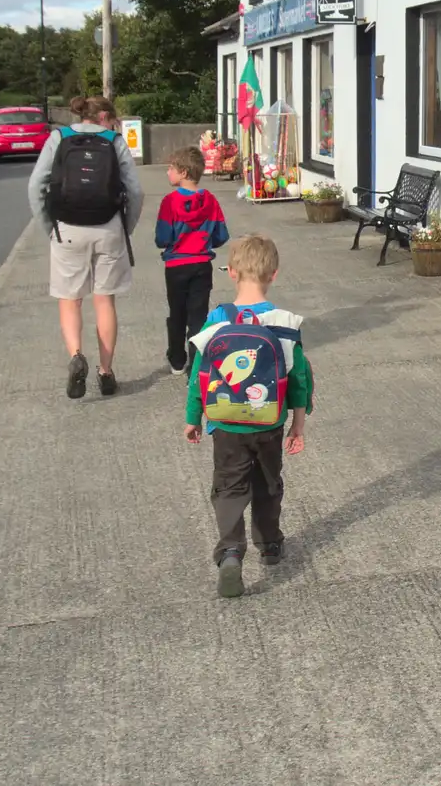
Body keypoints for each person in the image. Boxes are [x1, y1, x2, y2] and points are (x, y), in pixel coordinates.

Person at [184, 234, 312, 599]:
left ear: (233, 273)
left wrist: (194, 417)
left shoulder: (217, 319)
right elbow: (298, 378)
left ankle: (229, 551)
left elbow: (199, 376)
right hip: (269, 424)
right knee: (268, 483)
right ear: (274, 274)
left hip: (225, 424)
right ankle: (269, 544)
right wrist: (298, 423)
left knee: (228, 484)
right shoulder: (286, 323)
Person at [28, 95, 144, 399]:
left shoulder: (58, 137)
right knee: (104, 300)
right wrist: (124, 228)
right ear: (104, 117)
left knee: (70, 299)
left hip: (67, 228)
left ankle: (77, 356)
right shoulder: (114, 141)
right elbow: (135, 190)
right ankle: (106, 372)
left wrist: (49, 227)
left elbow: (35, 187)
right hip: (109, 227)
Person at [155, 146, 230, 374]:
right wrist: (205, 243)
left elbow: (162, 237)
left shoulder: (169, 202)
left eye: (171, 168)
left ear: (184, 172)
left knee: (177, 312)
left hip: (176, 266)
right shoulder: (210, 201)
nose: (168, 172)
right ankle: (196, 362)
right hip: (201, 264)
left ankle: (177, 359)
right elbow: (221, 234)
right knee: (198, 314)